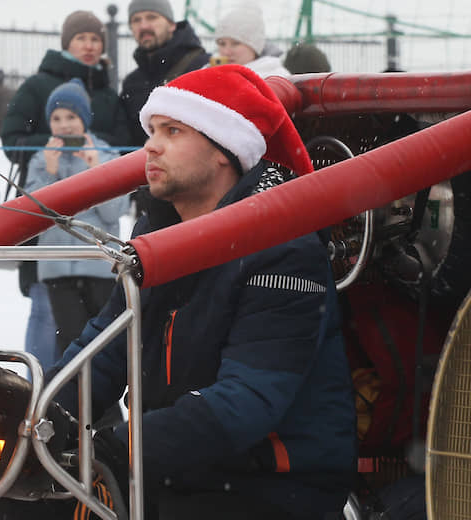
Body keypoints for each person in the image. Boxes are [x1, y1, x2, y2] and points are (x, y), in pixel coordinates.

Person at [46, 65, 356, 519]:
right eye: (152, 130)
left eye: (173, 131)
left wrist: (124, 449)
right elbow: (104, 351)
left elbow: (247, 400)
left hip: (267, 488)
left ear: (223, 152)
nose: (151, 145)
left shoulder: (283, 248)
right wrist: (37, 415)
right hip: (179, 473)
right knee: (28, 500)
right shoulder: (157, 236)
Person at [0, 10, 128, 372]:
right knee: (52, 325)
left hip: (98, 259)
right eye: (81, 38)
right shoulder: (40, 88)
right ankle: (42, 390)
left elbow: (115, 203)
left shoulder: (104, 90)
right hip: (54, 259)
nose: (89, 45)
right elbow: (15, 139)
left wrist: (97, 164)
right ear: (66, 43)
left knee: (99, 340)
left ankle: (97, 414)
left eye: (95, 39)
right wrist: (53, 154)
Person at [24, 79, 126, 365]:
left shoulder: (107, 155)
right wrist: (51, 173)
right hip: (58, 270)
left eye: (71, 116)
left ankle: (104, 411)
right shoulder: (41, 160)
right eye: (56, 118)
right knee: (70, 347)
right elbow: (34, 217)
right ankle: (76, 407)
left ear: (85, 118)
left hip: (101, 267)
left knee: (103, 347)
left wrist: (97, 171)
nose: (64, 125)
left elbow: (114, 212)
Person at [120, 0, 210, 147]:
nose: (144, 26)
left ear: (171, 25)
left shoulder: (203, 68)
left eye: (152, 17)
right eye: (136, 20)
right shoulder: (132, 84)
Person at [213, 2, 291, 77]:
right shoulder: (208, 72)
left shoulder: (275, 80)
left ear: (255, 47)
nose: (226, 52)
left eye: (235, 43)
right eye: (222, 44)